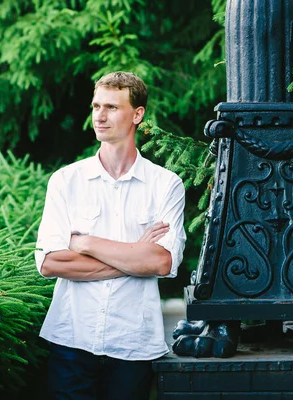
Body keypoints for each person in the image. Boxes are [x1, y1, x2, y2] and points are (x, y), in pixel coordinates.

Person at [35, 71, 186, 400]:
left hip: (133, 344)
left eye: (112, 108)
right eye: (96, 106)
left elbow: (161, 261)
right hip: (72, 340)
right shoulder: (66, 181)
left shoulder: (165, 185)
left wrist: (85, 244)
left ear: (137, 114)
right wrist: (134, 257)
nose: (100, 116)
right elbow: (49, 262)